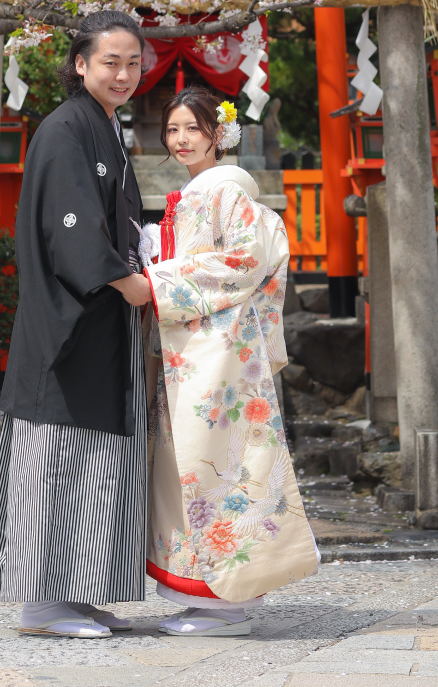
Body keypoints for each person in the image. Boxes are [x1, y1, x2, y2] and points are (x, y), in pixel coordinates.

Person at [0, 10, 152, 639]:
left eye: (133, 62)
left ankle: (76, 592)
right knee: (56, 457)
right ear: (80, 64)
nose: (124, 73)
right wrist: (127, 280)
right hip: (69, 324)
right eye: (111, 61)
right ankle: (41, 601)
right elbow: (70, 226)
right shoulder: (64, 129)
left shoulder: (103, 128)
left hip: (100, 323)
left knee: (95, 463)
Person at [140, 85, 320, 637]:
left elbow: (246, 259)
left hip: (217, 351)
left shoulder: (225, 189)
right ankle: (207, 597)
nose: (180, 139)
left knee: (214, 465)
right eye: (172, 130)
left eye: (192, 128)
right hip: (198, 346)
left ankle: (226, 604)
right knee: (191, 468)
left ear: (218, 135)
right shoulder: (204, 190)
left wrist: (159, 275)